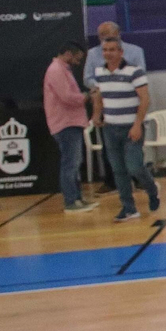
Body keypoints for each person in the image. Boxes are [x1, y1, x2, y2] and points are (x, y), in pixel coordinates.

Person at [91, 37, 160, 222]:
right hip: (110, 128)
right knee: (118, 170)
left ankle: (152, 189)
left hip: (131, 128)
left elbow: (145, 99)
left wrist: (137, 124)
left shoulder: (135, 72)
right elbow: (99, 95)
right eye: (105, 50)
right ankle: (129, 208)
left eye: (112, 49)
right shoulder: (99, 72)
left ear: (121, 52)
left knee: (135, 166)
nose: (108, 53)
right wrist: (96, 114)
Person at [44, 42, 95, 214]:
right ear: (67, 53)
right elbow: (66, 97)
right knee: (70, 163)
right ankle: (71, 201)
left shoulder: (63, 69)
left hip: (71, 121)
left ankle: (77, 198)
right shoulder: (56, 70)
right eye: (77, 58)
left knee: (74, 162)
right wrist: (86, 97)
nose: (78, 62)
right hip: (65, 123)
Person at [83, 22, 146, 89]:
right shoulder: (92, 53)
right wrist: (103, 87)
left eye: (107, 35)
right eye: (101, 35)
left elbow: (141, 76)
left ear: (117, 34)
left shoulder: (136, 51)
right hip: (103, 95)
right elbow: (87, 78)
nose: (103, 38)